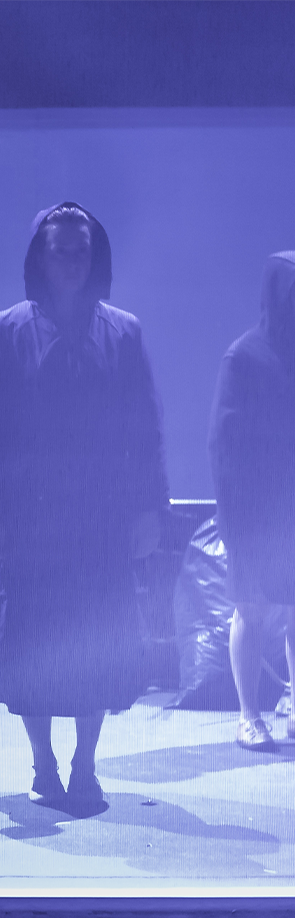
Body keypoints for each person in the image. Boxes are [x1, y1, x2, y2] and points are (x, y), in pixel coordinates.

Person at [0, 202, 167, 813]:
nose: (72, 263)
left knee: (93, 642)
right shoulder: (7, 331)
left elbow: (146, 430)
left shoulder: (123, 332)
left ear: (95, 256)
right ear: (40, 258)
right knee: (32, 643)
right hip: (32, 522)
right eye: (61, 251)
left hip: (101, 520)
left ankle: (84, 765)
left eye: (81, 251)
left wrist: (149, 510)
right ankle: (43, 763)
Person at [209, 252, 295, 750]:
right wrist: (232, 519)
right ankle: (248, 715)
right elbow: (224, 446)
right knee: (252, 609)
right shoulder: (244, 356)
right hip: (253, 513)